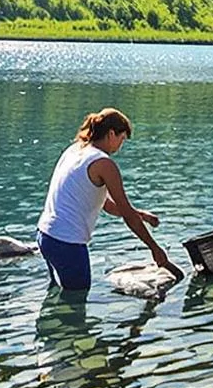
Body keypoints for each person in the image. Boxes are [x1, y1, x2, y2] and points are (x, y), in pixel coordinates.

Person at [36, 108, 181, 291]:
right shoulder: (104, 164)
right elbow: (127, 214)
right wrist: (154, 247)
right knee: (77, 300)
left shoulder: (76, 150)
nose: (120, 146)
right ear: (111, 134)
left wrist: (142, 215)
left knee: (60, 293)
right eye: (121, 139)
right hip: (67, 243)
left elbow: (107, 205)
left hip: (46, 235)